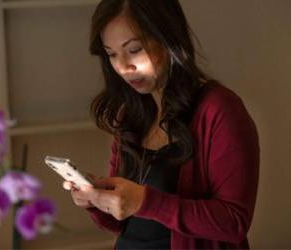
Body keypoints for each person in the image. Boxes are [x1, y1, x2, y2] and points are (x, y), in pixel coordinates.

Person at [63, 0, 260, 249]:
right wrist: (96, 200)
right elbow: (123, 225)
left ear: (168, 38)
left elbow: (234, 223)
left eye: (134, 49)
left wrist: (144, 201)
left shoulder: (220, 109)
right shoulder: (131, 116)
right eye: (112, 54)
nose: (123, 66)